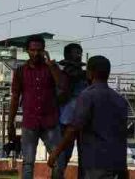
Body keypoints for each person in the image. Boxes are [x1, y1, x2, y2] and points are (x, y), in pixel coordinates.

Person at [48, 55, 128, 179]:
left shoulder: (87, 96)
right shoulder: (120, 100)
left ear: (90, 73)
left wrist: (56, 152)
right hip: (118, 163)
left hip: (96, 161)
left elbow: (74, 128)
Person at [8, 35, 67, 179]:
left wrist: (51, 64)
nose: (35, 53)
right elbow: (15, 97)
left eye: (39, 50)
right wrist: (10, 123)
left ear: (44, 51)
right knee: (28, 163)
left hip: (50, 122)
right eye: (32, 50)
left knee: (59, 160)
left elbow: (63, 86)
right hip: (30, 123)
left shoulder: (51, 68)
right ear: (27, 50)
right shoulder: (21, 71)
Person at [56, 42, 87, 178]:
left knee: (84, 158)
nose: (78, 56)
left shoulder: (86, 77)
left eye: (79, 53)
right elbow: (59, 98)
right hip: (65, 122)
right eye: (75, 53)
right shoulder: (61, 76)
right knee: (63, 157)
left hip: (82, 123)